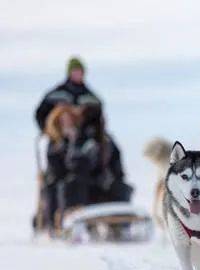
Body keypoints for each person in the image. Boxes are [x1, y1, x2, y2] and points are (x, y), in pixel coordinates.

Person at [41, 104, 133, 232]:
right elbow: (62, 168)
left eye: (70, 119)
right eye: (64, 120)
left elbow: (113, 166)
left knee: (119, 186)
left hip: (92, 183)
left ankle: (121, 223)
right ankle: (62, 225)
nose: (68, 123)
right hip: (65, 185)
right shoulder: (55, 144)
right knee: (72, 183)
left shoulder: (95, 139)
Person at [35, 57, 102, 131]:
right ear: (69, 73)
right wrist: (46, 130)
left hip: (85, 134)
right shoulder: (56, 94)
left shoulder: (91, 97)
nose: (78, 74)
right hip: (60, 134)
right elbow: (40, 113)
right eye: (75, 71)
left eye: (80, 71)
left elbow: (99, 116)